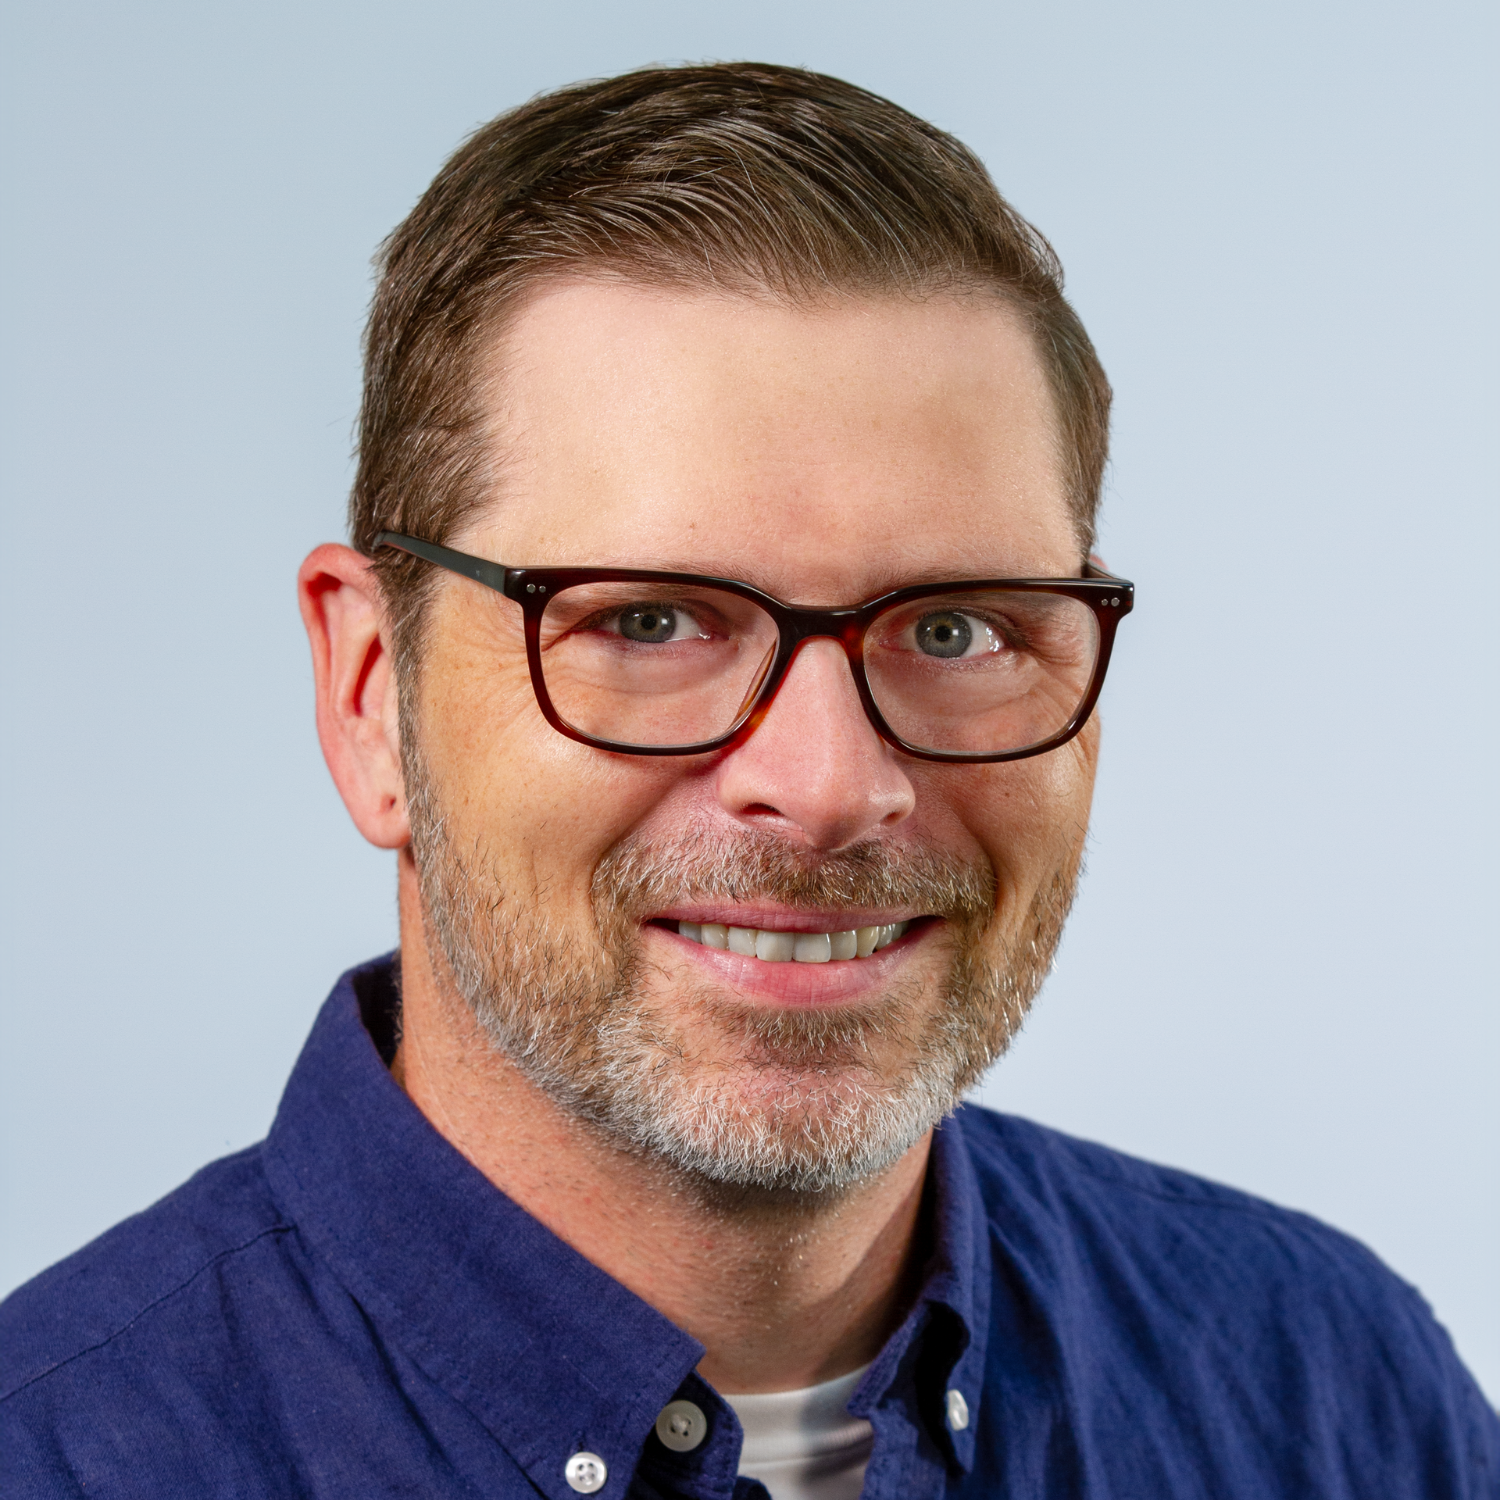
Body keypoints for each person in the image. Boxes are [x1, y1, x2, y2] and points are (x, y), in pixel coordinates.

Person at [2, 61, 1494, 1500]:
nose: (831, 785)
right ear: (370, 696)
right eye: (649, 622)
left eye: (957, 627)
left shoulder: (1332, 1393)